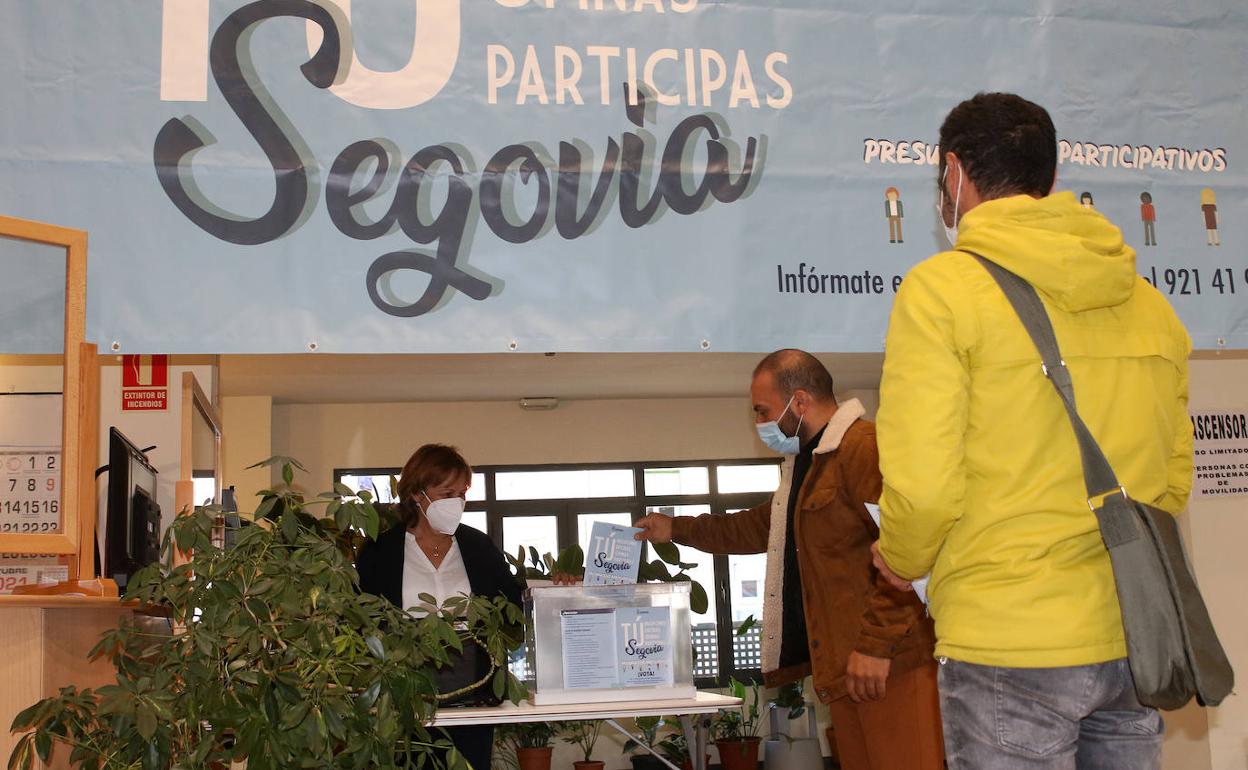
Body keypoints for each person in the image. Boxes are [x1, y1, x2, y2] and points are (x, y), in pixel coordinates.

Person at [873, 92, 1193, 770]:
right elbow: (1172, 476)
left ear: (955, 175)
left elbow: (925, 489)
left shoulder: (941, 292)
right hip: (1134, 632)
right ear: (1049, 177)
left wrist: (901, 560)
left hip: (1008, 640)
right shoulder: (1149, 302)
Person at [635, 349, 943, 770]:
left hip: (889, 664)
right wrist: (677, 529)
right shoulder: (806, 465)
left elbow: (910, 553)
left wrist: (876, 646)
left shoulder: (863, 449)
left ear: (799, 401)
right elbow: (757, 528)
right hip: (847, 668)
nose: (760, 422)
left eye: (763, 411)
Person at [356, 443, 521, 770]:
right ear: (417, 494)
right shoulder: (380, 551)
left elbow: (513, 606)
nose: (458, 502)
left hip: (473, 695)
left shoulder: (479, 546)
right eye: (448, 493)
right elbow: (360, 619)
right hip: (405, 698)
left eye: (463, 493)